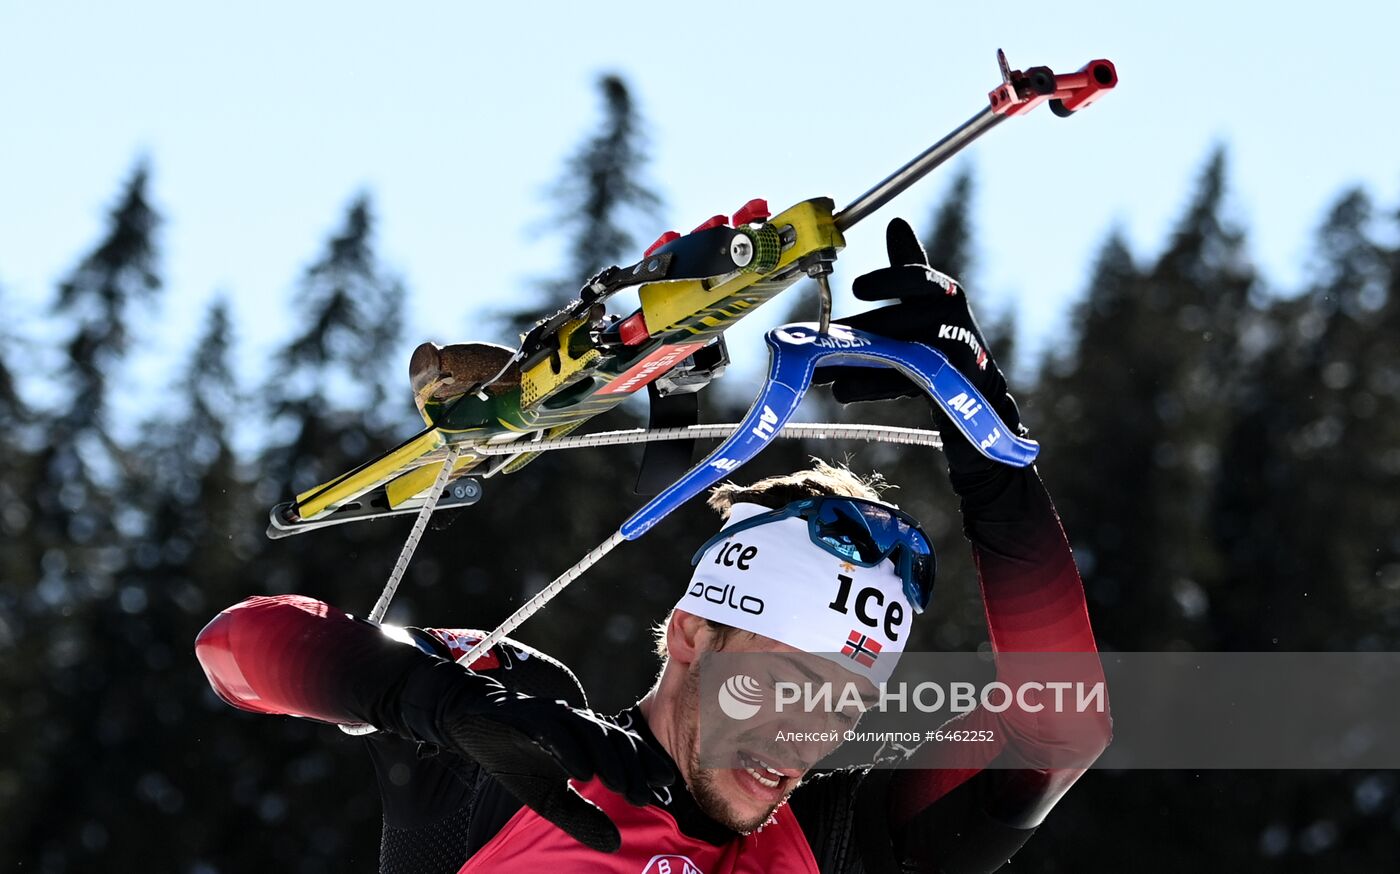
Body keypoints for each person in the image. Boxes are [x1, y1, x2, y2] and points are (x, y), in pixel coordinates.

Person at [195, 218, 1111, 873]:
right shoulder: (522, 736)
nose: (804, 735)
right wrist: (430, 701)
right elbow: (236, 647)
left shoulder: (831, 843)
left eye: (843, 704)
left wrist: (992, 451)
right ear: (689, 636)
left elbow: (1062, 727)